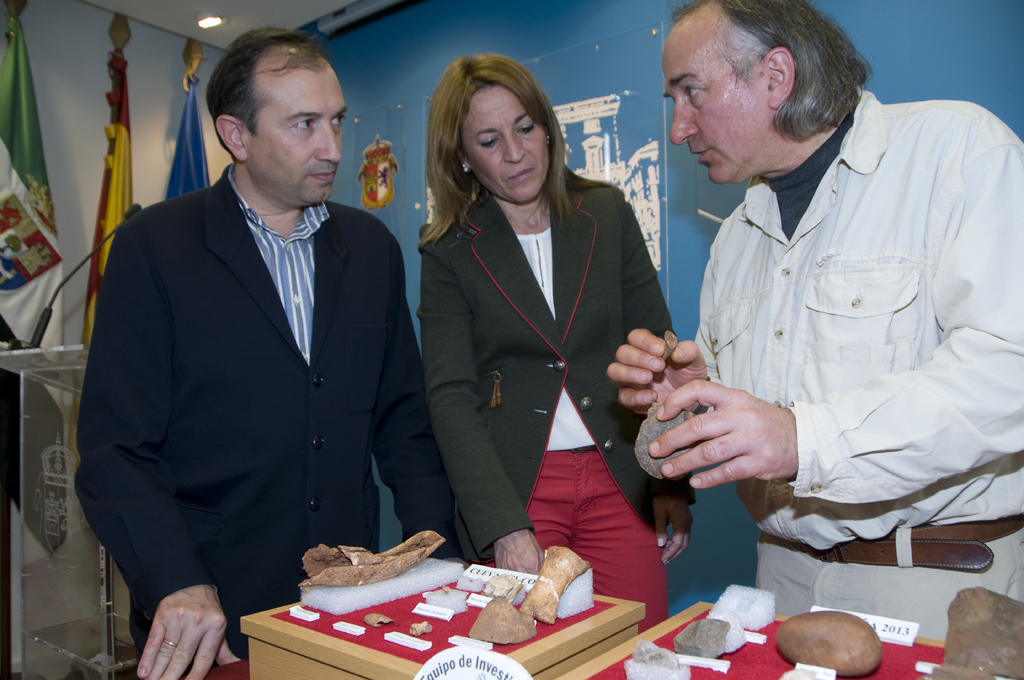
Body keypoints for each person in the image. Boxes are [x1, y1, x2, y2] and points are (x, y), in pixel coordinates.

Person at [609, 0, 1024, 639]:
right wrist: (689, 401)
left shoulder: (957, 152)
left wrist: (804, 438)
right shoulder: (738, 236)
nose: (678, 128)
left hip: (938, 589)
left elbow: (1010, 375)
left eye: (690, 93)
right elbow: (765, 415)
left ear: (775, 76)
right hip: (780, 584)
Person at [75, 28, 460, 680]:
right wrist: (175, 580)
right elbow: (117, 452)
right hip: (213, 614)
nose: (333, 148)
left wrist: (438, 560)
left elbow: (404, 423)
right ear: (236, 134)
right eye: (304, 124)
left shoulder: (372, 250)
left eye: (336, 120)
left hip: (352, 603)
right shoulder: (153, 249)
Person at [418, 53, 693, 632]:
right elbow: (450, 396)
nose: (515, 154)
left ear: (547, 127)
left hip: (620, 476)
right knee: (533, 654)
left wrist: (673, 482)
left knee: (641, 649)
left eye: (524, 128)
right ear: (462, 158)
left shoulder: (607, 212)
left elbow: (659, 357)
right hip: (519, 488)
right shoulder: (446, 249)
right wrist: (500, 523)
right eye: (489, 141)